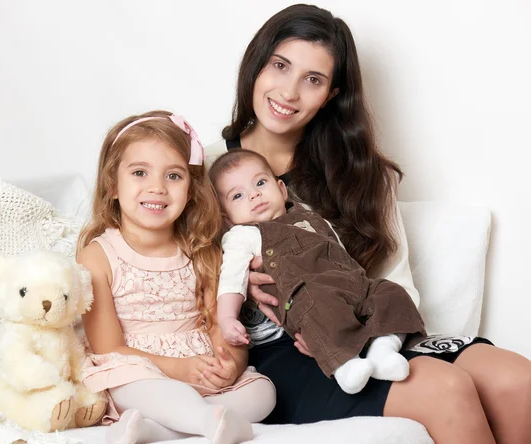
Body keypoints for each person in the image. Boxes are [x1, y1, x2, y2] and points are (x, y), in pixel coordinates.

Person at [203, 4, 531, 444]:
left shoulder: (360, 173)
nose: (289, 91)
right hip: (283, 354)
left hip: (374, 327)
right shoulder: (203, 169)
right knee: (445, 390)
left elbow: (398, 283)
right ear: (256, 63)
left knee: (518, 381)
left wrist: (366, 325)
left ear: (332, 94)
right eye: (280, 66)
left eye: (313, 79)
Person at [77, 111, 275, 444]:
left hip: (200, 367)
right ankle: (205, 420)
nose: (157, 187)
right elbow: (108, 348)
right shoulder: (98, 255)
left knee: (263, 392)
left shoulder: (202, 251)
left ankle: (158, 430)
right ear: (112, 184)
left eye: (174, 176)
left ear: (192, 190)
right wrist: (177, 370)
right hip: (139, 370)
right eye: (140, 172)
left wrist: (231, 364)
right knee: (129, 384)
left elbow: (221, 325)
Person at [209, 148, 426, 394]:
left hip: (352, 284)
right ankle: (345, 366)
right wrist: (227, 318)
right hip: (310, 298)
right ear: (227, 218)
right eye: (238, 195)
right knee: (322, 305)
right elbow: (232, 280)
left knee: (392, 292)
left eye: (260, 182)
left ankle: (383, 349)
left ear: (281, 189)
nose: (254, 195)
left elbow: (337, 251)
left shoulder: (309, 215)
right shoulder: (243, 235)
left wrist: (362, 287)